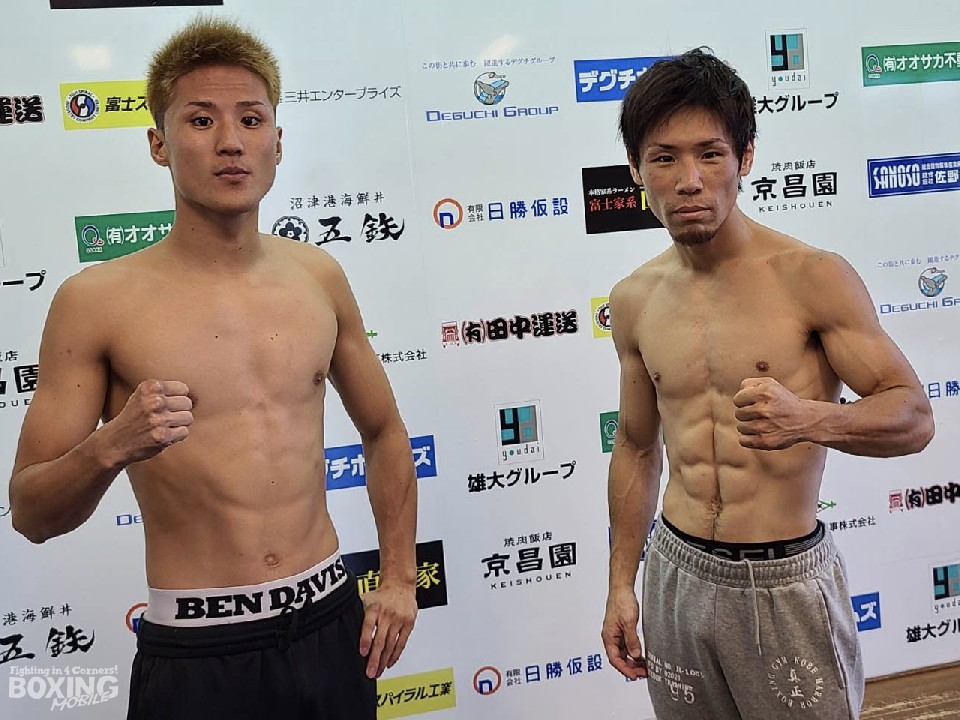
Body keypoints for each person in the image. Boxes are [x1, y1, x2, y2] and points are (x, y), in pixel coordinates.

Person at [8, 16, 418, 720]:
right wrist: (111, 445)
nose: (231, 141)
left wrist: (401, 578)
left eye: (251, 120)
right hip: (199, 652)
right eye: (201, 120)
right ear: (158, 144)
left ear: (277, 142)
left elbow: (384, 431)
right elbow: (31, 513)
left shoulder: (318, 275)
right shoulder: (95, 301)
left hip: (330, 625)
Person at [601, 49, 934, 720]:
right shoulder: (634, 298)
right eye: (664, 159)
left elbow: (914, 417)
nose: (689, 181)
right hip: (675, 569)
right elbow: (636, 447)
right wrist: (620, 584)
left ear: (745, 158)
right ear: (636, 170)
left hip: (782, 579)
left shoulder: (811, 276)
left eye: (711, 155)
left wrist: (811, 419)